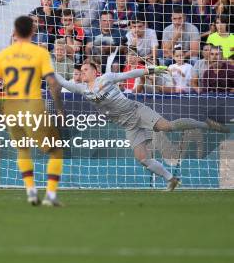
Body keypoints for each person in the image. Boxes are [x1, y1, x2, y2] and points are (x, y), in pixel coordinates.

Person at [55, 60, 227, 191]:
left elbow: (130, 74)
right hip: (127, 124)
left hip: (136, 111)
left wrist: (153, 69)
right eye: (81, 70)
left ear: (95, 71)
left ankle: (206, 124)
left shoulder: (106, 78)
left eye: (85, 69)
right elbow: (61, 81)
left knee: (166, 126)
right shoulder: (82, 89)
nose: (82, 72)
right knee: (142, 159)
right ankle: (171, 179)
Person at [0, 16, 64, 206]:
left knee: (22, 149)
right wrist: (59, 107)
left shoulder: (3, 55)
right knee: (56, 151)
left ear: (15, 31)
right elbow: (53, 83)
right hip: (33, 107)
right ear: (32, 32)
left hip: (11, 109)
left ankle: (30, 191)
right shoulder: (39, 53)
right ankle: (51, 196)